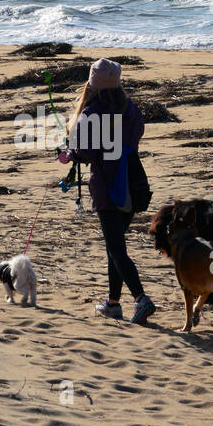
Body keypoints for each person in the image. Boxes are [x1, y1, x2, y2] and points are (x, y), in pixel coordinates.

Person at [59, 58, 156, 324]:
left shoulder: (92, 112)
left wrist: (70, 154)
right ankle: (113, 303)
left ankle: (141, 299)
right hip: (132, 180)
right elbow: (134, 138)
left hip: (107, 186)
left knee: (116, 248)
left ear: (93, 84)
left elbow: (86, 152)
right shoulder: (131, 109)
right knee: (115, 247)